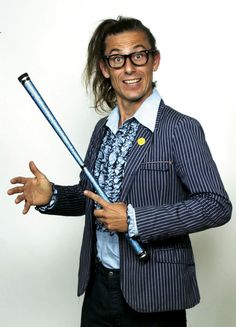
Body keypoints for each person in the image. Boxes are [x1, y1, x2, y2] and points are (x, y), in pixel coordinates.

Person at [8, 17, 232, 327]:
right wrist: (53, 196)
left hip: (155, 294)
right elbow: (93, 198)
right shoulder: (103, 130)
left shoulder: (179, 128)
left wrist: (134, 220)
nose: (128, 68)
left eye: (138, 55)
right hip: (99, 289)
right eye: (117, 58)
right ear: (105, 68)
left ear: (154, 61)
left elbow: (215, 205)